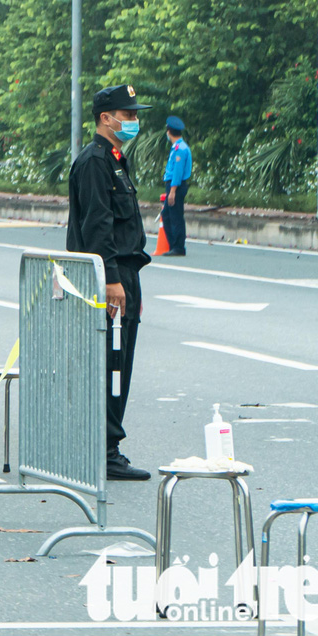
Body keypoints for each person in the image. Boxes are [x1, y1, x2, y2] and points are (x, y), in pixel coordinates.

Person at [68, 84, 154, 482]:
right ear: (106, 118)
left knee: (119, 362)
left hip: (123, 274)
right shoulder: (94, 162)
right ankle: (105, 450)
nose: (133, 121)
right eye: (128, 114)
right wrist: (113, 280)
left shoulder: (115, 160)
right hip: (109, 277)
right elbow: (98, 227)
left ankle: (104, 446)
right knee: (110, 364)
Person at [161, 116, 192, 258]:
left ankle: (178, 247)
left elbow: (178, 172)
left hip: (176, 186)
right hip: (175, 186)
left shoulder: (180, 149)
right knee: (167, 214)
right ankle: (174, 245)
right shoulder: (178, 147)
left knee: (175, 216)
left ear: (169, 132)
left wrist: (172, 191)